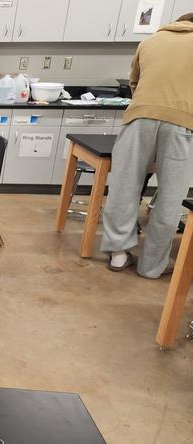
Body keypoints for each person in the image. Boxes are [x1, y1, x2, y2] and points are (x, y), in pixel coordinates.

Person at [101, 13, 193, 278]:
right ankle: (153, 266)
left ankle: (118, 255)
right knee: (169, 197)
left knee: (124, 186)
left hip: (139, 118)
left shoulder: (151, 40)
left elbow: (134, 83)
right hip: (183, 123)